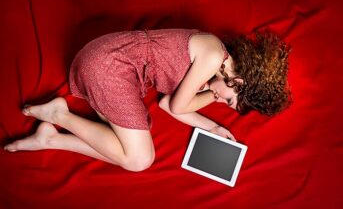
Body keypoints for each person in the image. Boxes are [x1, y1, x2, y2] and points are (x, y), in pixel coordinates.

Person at [3, 28, 292, 172]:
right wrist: (211, 100)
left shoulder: (214, 64)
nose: (219, 101)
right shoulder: (214, 56)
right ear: (239, 81)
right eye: (229, 100)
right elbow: (180, 106)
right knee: (140, 160)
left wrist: (214, 130)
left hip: (109, 66)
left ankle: (49, 138)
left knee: (128, 152)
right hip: (107, 67)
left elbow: (168, 105)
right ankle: (59, 117)